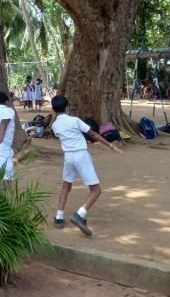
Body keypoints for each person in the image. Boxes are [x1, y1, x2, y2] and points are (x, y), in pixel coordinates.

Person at [51, 95, 123, 236]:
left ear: (54, 110)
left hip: (68, 157)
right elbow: (93, 134)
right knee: (96, 190)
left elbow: (69, 136)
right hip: (81, 155)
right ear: (67, 108)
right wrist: (110, 146)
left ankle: (59, 217)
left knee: (66, 187)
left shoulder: (54, 125)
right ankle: (80, 215)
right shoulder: (75, 120)